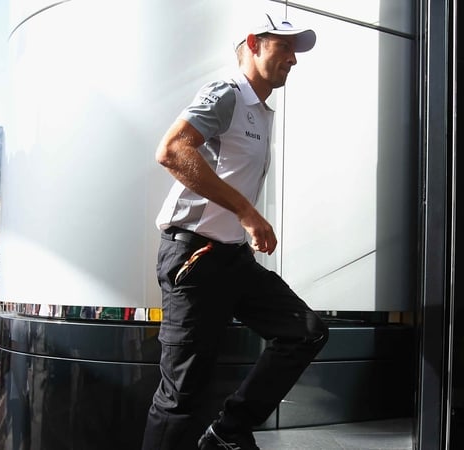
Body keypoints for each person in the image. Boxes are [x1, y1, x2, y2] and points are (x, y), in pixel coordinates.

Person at [141, 12, 328, 450]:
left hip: (232, 258)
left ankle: (228, 431)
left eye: (295, 51)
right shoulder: (227, 93)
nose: (293, 60)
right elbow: (171, 150)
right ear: (254, 43)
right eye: (285, 46)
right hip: (193, 258)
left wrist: (243, 223)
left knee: (305, 331)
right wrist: (248, 212)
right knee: (181, 396)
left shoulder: (262, 111)